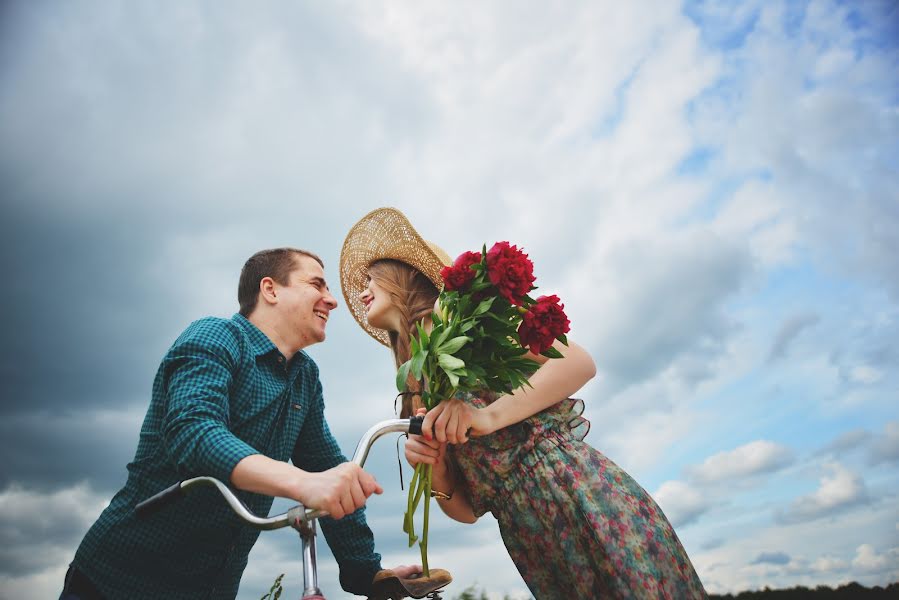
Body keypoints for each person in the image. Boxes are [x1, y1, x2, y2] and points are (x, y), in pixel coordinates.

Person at [339, 208, 708, 599]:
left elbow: (578, 361)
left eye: (372, 277)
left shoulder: (465, 324)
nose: (363, 288)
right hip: (528, 533)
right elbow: (466, 511)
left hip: (577, 493)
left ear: (405, 278)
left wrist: (485, 416)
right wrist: (437, 470)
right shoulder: (415, 387)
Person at [61, 247, 419, 600]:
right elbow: (194, 431)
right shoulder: (215, 337)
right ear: (270, 289)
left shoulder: (304, 377)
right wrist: (303, 483)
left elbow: (328, 468)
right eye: (317, 285)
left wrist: (369, 574)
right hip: (115, 584)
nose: (332, 300)